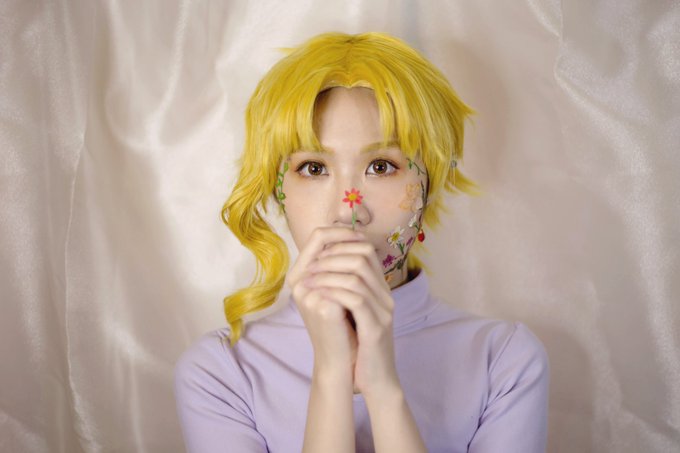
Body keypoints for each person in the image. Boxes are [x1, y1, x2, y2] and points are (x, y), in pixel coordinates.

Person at [174, 32, 549, 452]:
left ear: (430, 185)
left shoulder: (503, 361)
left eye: (382, 166)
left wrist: (384, 389)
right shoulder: (222, 371)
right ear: (278, 192)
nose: (347, 211)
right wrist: (331, 374)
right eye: (313, 168)